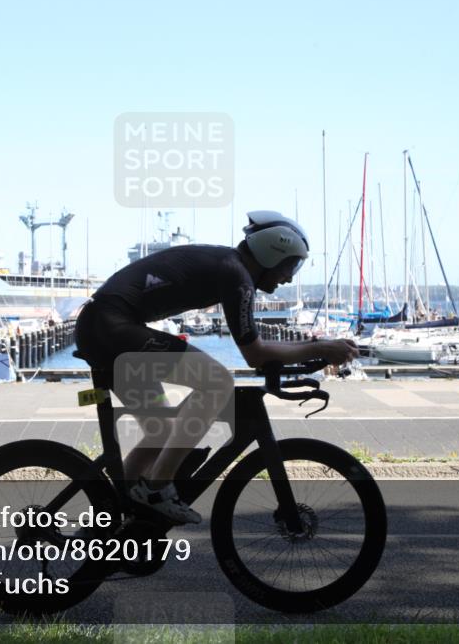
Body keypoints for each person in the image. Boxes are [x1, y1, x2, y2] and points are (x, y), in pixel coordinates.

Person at [74, 211, 359, 524]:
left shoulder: (230, 266)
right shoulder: (236, 276)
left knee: (162, 431)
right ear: (270, 254)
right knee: (217, 382)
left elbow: (258, 347)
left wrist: (317, 349)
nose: (289, 277)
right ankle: (156, 489)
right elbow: (255, 354)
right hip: (113, 329)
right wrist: (320, 348)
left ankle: (109, 521)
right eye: (290, 265)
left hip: (102, 328)